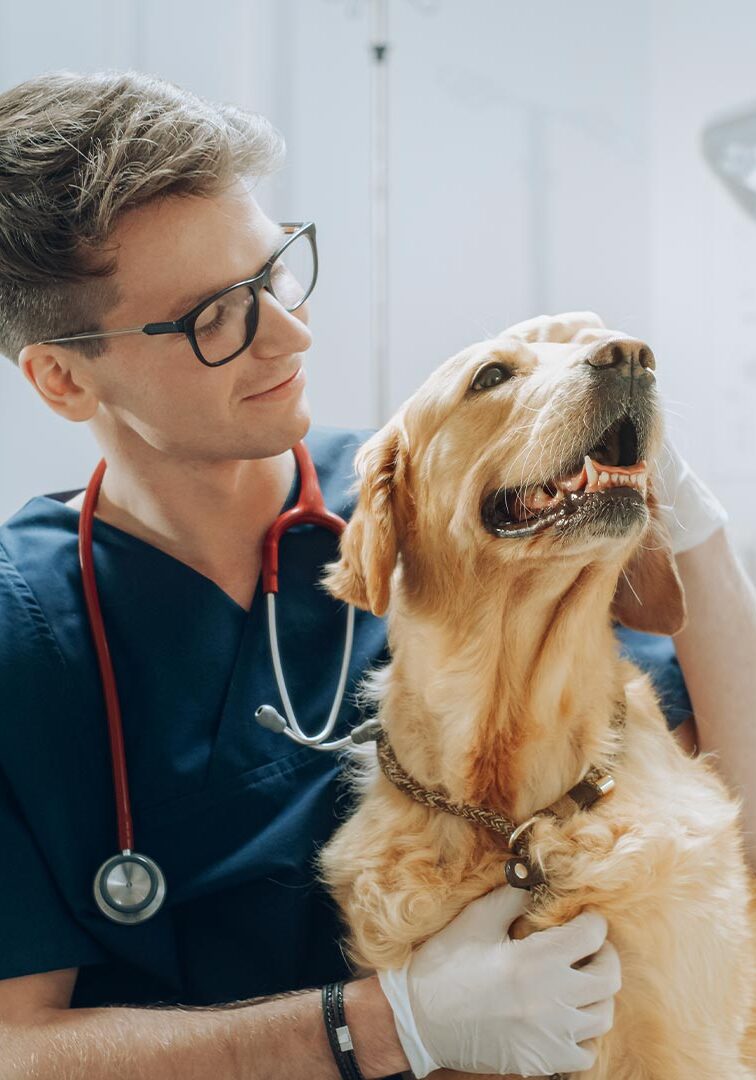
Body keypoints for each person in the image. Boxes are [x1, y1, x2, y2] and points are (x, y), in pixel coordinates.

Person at [0, 69, 751, 1080]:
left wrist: (692, 524)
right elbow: (16, 1047)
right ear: (61, 376)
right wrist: (385, 1023)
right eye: (211, 317)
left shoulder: (450, 515)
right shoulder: (26, 635)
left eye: (275, 272)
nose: (291, 333)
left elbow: (711, 799)